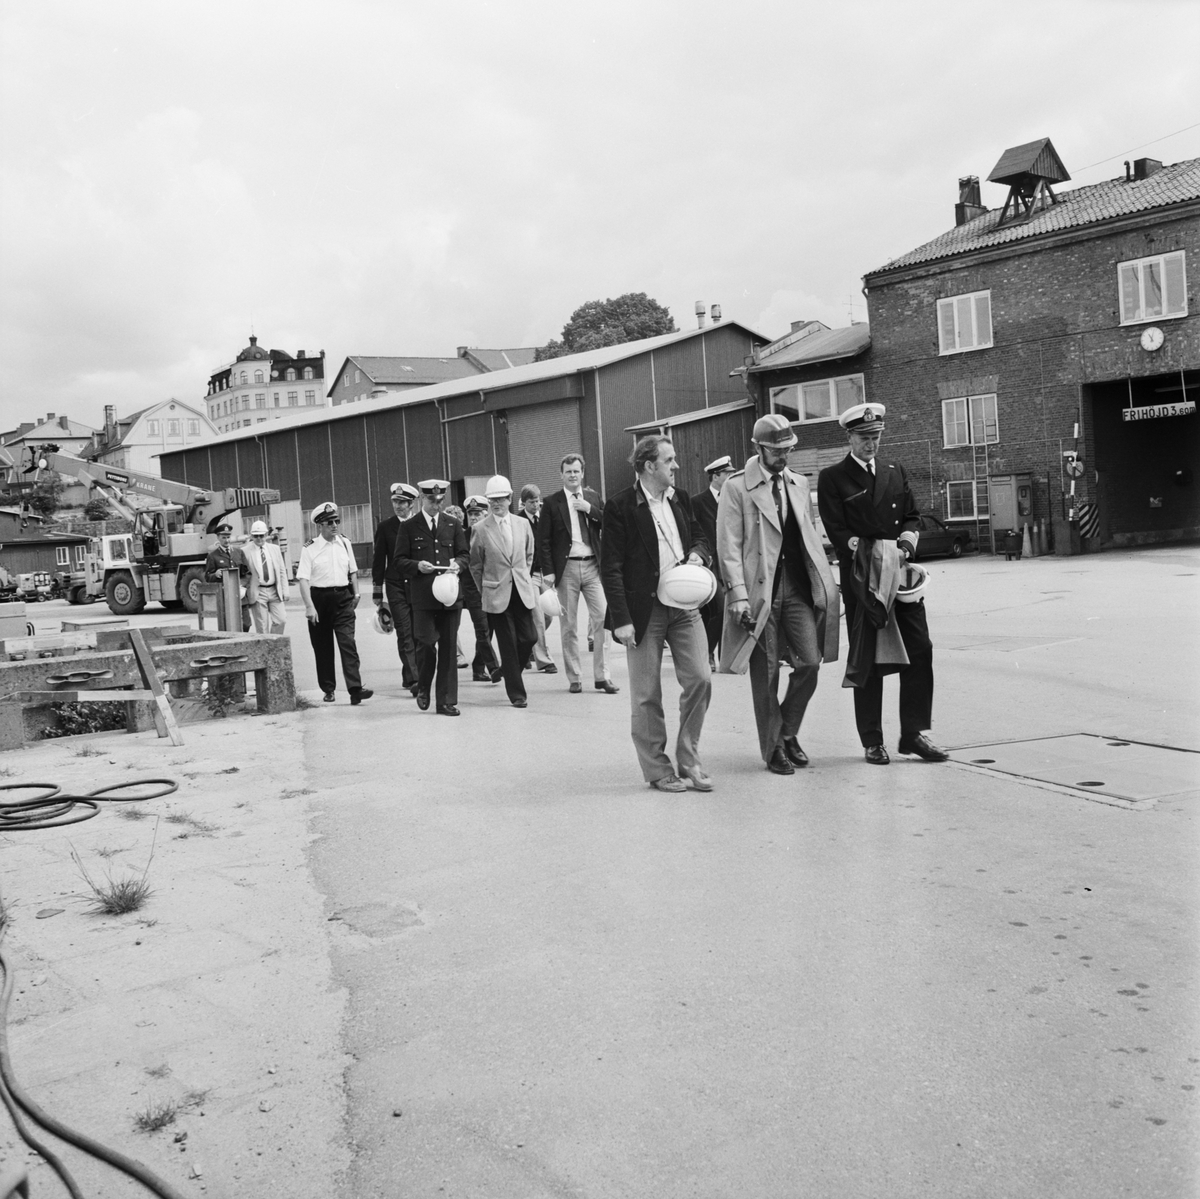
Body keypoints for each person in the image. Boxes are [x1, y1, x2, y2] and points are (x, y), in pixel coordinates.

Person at [817, 402, 947, 765]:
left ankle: (913, 734)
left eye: (875, 436)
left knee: (920, 649)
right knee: (869, 660)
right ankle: (872, 740)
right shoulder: (833, 477)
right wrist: (874, 553)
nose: (871, 444)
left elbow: (912, 516)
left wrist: (904, 546)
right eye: (864, 437)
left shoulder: (894, 469)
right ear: (849, 437)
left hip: (900, 577)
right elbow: (837, 530)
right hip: (864, 580)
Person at [717, 415, 841, 776]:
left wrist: (826, 587)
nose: (784, 456)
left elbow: (809, 541)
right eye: (776, 451)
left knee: (810, 662)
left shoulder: (798, 483)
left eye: (788, 449)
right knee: (767, 672)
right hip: (760, 591)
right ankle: (773, 748)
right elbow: (728, 546)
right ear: (758, 448)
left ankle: (786, 731)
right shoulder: (736, 488)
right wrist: (737, 595)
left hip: (797, 586)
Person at [601, 435, 714, 793]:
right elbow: (610, 568)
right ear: (649, 466)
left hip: (684, 605)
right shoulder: (620, 506)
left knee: (701, 678)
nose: (676, 465)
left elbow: (700, 536)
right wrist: (621, 619)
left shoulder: (680, 498)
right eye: (669, 460)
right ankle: (657, 769)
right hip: (643, 611)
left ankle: (689, 758)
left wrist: (698, 554)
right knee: (646, 693)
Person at [538, 453, 617, 695]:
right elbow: (543, 540)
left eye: (576, 471)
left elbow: (609, 522)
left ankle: (602, 676)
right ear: (561, 475)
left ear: (582, 473)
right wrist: (549, 572)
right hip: (567, 568)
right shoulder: (552, 502)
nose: (573, 475)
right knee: (569, 625)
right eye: (568, 471)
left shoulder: (592, 497)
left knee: (603, 619)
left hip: (592, 565)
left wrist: (590, 509)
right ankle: (575, 677)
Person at [395, 480, 469, 716]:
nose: (436, 505)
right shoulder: (409, 527)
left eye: (440, 501)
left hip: (449, 596)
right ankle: (424, 685)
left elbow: (464, 554)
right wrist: (417, 566)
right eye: (431, 500)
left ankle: (446, 701)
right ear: (421, 499)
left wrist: (458, 564)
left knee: (448, 648)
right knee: (426, 644)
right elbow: (399, 561)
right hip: (424, 597)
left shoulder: (453, 524)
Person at [469, 475, 539, 708]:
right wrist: (486, 589)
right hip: (496, 593)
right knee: (507, 643)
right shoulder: (480, 529)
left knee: (530, 637)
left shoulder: (522, 524)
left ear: (510, 498)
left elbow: (528, 555)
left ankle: (508, 671)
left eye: (501, 499)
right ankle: (517, 694)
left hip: (520, 590)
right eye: (492, 500)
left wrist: (521, 577)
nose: (496, 503)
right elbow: (475, 565)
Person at [297, 502, 373, 705]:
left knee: (348, 643)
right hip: (319, 600)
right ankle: (328, 689)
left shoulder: (345, 543)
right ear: (319, 525)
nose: (334, 525)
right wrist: (309, 606)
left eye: (336, 521)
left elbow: (353, 571)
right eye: (329, 522)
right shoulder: (310, 548)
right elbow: (303, 579)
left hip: (343, 599)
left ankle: (355, 689)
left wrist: (356, 594)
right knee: (323, 647)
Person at [371, 482, 420, 694]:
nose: (397, 506)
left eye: (402, 502)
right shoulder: (385, 527)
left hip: (418, 585)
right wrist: (377, 590)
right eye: (395, 502)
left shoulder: (420, 524)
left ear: (411, 504)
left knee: (418, 633)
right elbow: (378, 559)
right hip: (395, 585)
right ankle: (416, 680)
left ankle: (409, 676)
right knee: (405, 631)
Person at [691, 455, 736, 666]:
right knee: (717, 606)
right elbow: (694, 533)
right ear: (715, 476)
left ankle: (725, 656)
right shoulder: (697, 502)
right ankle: (707, 652)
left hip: (732, 561)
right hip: (710, 564)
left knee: (731, 607)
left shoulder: (734, 498)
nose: (731, 477)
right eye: (727, 474)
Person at [460, 498, 503, 683]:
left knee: (490, 628)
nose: (473, 517)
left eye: (477, 513)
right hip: (471, 587)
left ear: (486, 514)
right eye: (470, 514)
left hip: (491, 585)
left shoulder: (493, 532)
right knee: (482, 628)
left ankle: (478, 669)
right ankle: (494, 667)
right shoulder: (462, 536)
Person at [517, 484, 556, 673]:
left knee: (549, 615)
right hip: (529, 574)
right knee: (538, 618)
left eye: (537, 501)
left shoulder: (544, 519)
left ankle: (528, 647)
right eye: (532, 502)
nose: (536, 505)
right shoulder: (519, 521)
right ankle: (544, 660)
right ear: (524, 502)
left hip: (545, 573)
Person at [204, 522, 253, 632]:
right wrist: (215, 574)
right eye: (223, 537)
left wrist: (242, 585)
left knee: (246, 624)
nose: (226, 540)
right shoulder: (213, 556)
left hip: (240, 595)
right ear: (218, 537)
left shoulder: (239, 552)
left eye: (228, 537)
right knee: (228, 625)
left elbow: (247, 572)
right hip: (224, 596)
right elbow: (207, 577)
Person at [245, 519, 290, 634]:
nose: (259, 538)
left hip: (275, 590)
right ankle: (265, 644)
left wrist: (285, 590)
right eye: (256, 536)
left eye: (261, 535)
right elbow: (243, 574)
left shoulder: (275, 549)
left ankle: (273, 642)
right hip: (258, 592)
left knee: (281, 620)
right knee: (262, 627)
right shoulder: (245, 551)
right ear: (251, 536)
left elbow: (281, 571)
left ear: (266, 535)